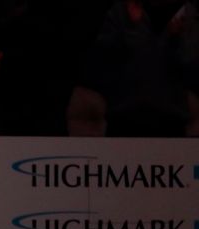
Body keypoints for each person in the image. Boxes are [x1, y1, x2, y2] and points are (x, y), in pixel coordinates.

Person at [67, 0, 199, 137]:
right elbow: (100, 61)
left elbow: (190, 63)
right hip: (124, 115)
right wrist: (133, 29)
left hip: (171, 117)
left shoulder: (186, 12)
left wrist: (174, 40)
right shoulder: (120, 10)